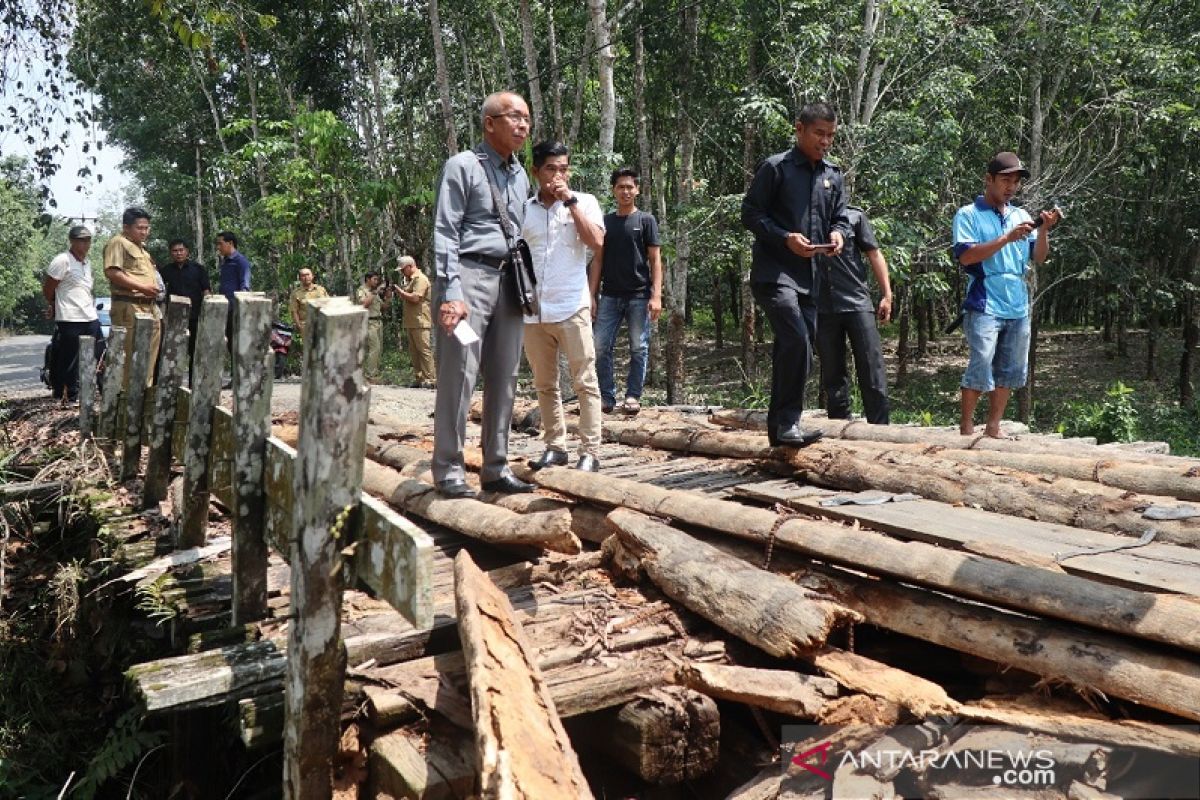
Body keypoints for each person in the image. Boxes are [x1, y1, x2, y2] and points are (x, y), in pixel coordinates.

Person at [432, 91, 533, 499]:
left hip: (508, 283)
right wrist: (450, 291)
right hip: (469, 281)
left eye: (527, 118)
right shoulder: (462, 167)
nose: (523, 125)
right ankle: (449, 469)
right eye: (514, 117)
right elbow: (445, 230)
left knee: (505, 375)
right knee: (460, 374)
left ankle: (495, 466)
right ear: (489, 123)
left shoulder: (521, 175)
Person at [741, 102, 851, 447]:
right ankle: (788, 423)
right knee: (797, 339)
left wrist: (838, 235)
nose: (825, 141)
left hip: (812, 276)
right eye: (819, 133)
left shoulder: (832, 175)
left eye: (831, 135)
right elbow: (750, 213)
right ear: (799, 129)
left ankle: (782, 429)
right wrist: (783, 237)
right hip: (775, 274)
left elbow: (842, 218)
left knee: (796, 347)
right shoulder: (776, 168)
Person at [953, 151, 1060, 437]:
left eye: (1015, 181)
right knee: (982, 360)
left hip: (1017, 302)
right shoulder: (968, 214)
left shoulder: (1021, 215)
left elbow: (1038, 257)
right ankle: (966, 427)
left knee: (1010, 368)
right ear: (988, 179)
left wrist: (1045, 231)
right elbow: (966, 257)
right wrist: (1006, 238)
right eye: (1005, 180)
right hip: (984, 301)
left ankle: (994, 426)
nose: (1011, 187)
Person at [521, 140, 606, 473]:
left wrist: (570, 203)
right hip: (534, 311)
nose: (558, 175)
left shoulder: (584, 202)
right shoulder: (523, 208)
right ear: (536, 172)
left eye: (563, 168)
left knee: (585, 381)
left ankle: (591, 451)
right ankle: (555, 446)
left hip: (572, 307)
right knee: (545, 384)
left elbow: (597, 243)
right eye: (550, 169)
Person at [589, 167, 662, 415]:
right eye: (621, 186)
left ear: (637, 190)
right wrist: (592, 295)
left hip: (639, 296)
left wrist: (656, 295)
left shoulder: (646, 220)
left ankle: (633, 396)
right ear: (613, 190)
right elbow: (597, 260)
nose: (625, 191)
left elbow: (655, 260)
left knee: (638, 347)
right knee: (599, 346)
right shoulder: (606, 222)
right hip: (609, 294)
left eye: (630, 186)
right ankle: (607, 397)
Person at [816, 206, 893, 424]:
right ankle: (840, 427)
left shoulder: (854, 217)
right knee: (832, 371)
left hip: (856, 300)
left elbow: (874, 253)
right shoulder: (806, 219)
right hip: (822, 305)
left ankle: (880, 426)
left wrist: (887, 294)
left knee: (871, 366)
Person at [104, 207, 162, 388]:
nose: (144, 232)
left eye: (146, 228)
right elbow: (113, 272)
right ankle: (127, 403)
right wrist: (143, 287)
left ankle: (144, 399)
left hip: (150, 307)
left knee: (148, 359)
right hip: (129, 307)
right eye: (140, 228)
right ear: (126, 227)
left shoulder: (143, 250)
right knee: (129, 358)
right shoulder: (118, 242)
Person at [42, 225, 101, 401]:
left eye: (88, 240)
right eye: (81, 240)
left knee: (98, 354)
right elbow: (48, 288)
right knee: (70, 358)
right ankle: (67, 394)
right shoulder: (62, 260)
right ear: (72, 241)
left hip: (90, 316)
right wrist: (53, 304)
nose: (85, 244)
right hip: (69, 317)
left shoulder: (87, 263)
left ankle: (91, 390)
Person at [159, 239, 211, 368]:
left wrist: (208, 312)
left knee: (194, 350)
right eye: (175, 251)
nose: (178, 253)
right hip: (174, 317)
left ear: (187, 251)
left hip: (195, 316)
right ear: (171, 253)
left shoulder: (198, 269)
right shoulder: (166, 271)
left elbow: (206, 291)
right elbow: (159, 290)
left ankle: (192, 384)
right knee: (173, 349)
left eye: (181, 250)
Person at [394, 255, 436, 388]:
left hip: (421, 320)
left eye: (402, 269)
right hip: (411, 321)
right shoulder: (410, 280)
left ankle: (430, 378)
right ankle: (419, 378)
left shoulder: (420, 279)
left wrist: (400, 292)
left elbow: (415, 298)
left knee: (424, 350)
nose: (401, 272)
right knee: (414, 351)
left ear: (410, 266)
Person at [216, 231, 251, 347]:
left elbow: (245, 286)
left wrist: (240, 308)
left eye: (220, 244)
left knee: (236, 343)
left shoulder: (241, 261)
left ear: (230, 243)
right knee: (229, 342)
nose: (218, 247)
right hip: (226, 307)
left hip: (235, 309)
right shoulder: (225, 261)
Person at [354, 271, 390, 381]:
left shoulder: (374, 292)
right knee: (374, 348)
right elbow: (364, 304)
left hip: (378, 322)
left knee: (379, 349)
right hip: (369, 322)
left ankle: (374, 373)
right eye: (374, 279)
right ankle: (370, 375)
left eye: (377, 279)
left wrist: (388, 297)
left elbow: (383, 307)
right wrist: (375, 292)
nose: (377, 281)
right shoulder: (362, 290)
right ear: (368, 279)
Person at [288, 267, 329, 342]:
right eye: (303, 275)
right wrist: (300, 327)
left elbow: (329, 305)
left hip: (322, 323)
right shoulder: (296, 293)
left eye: (308, 274)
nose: (306, 277)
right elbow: (294, 311)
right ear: (300, 278)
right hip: (306, 325)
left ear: (312, 276)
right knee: (310, 349)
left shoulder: (321, 289)